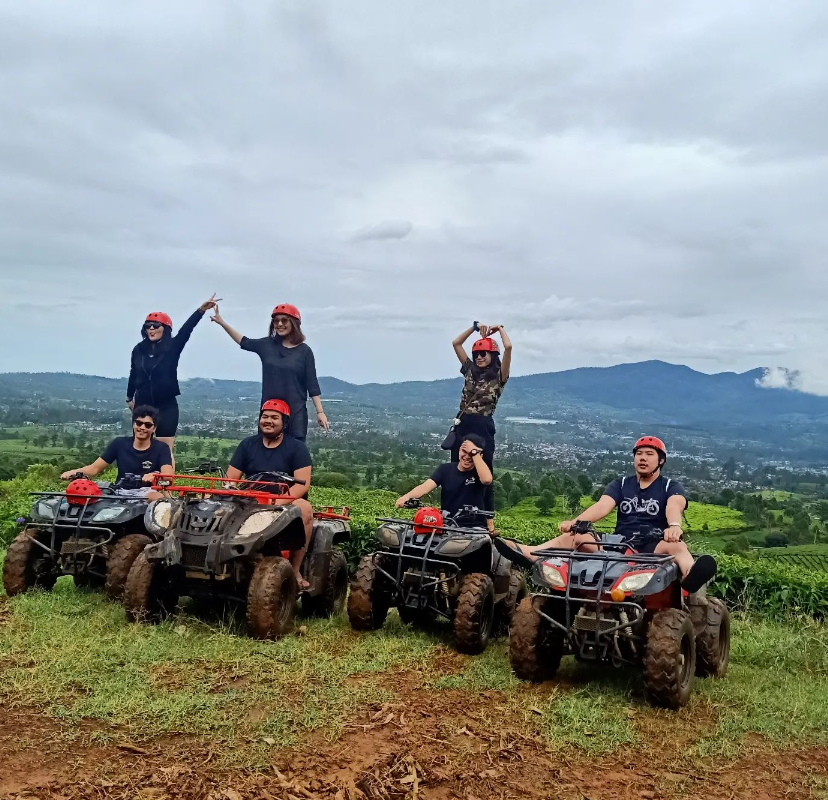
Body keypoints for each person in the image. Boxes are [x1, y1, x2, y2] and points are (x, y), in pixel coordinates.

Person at [500, 436, 716, 592]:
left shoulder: (669, 486)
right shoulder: (621, 484)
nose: (643, 458)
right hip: (619, 542)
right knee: (574, 537)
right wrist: (575, 522)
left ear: (661, 460)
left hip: (652, 545)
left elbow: (674, 506)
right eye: (639, 454)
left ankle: (690, 575)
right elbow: (602, 506)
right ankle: (530, 553)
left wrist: (674, 526)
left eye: (650, 454)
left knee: (677, 547)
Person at [225, 399, 314, 588]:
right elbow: (231, 478)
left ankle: (295, 570)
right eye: (265, 416)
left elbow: (302, 484)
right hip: (250, 497)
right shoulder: (247, 445)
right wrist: (229, 491)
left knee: (305, 509)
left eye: (274, 417)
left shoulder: (297, 448)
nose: (268, 421)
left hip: (283, 498)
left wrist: (277, 501)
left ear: (284, 423)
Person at [210, 303, 328, 441]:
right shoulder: (266, 345)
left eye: (284, 320)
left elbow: (312, 384)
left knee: (295, 452)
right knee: (266, 451)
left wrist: (320, 412)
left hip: (296, 415)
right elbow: (244, 342)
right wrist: (222, 322)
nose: (279, 324)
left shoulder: (304, 351)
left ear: (294, 323)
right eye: (276, 321)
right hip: (269, 415)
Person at [126, 295, 219, 462]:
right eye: (148, 326)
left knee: (165, 450)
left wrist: (201, 310)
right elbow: (134, 373)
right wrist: (129, 397)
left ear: (165, 328)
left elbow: (186, 330)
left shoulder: (172, 347)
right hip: (142, 404)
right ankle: (138, 477)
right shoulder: (138, 350)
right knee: (140, 447)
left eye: (156, 326)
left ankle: (165, 478)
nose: (151, 329)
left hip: (166, 405)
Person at [450, 323, 512, 507]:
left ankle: (486, 513)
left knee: (485, 468)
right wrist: (474, 327)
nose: (479, 357)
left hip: (482, 425)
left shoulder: (499, 376)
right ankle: (454, 507)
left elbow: (508, 347)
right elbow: (456, 343)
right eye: (476, 354)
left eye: (483, 353)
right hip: (463, 422)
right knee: (457, 467)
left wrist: (499, 329)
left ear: (493, 355)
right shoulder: (470, 370)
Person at [60, 405, 173, 499]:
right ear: (133, 424)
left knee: (159, 499)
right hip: (119, 491)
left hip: (146, 492)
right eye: (139, 423)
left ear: (154, 428)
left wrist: (154, 476)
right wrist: (73, 472)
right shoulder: (119, 444)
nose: (142, 427)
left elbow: (168, 476)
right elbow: (94, 468)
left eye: (148, 425)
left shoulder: (161, 448)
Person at [396, 435, 494, 530]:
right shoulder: (445, 469)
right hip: (447, 524)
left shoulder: (480, 473)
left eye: (472, 453)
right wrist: (406, 497)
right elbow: (424, 487)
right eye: (464, 451)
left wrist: (474, 453)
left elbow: (487, 480)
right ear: (459, 450)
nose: (467, 456)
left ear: (480, 456)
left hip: (474, 527)